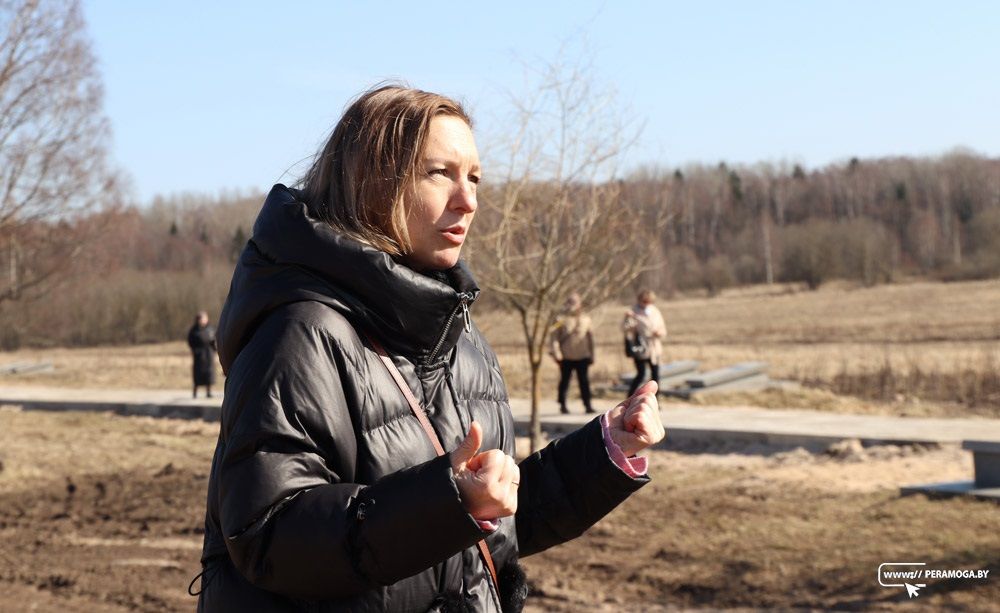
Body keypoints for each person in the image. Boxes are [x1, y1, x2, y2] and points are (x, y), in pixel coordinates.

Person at [195, 85, 665, 612]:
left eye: (475, 178)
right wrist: (447, 502)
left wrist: (604, 450)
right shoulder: (300, 333)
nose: (469, 200)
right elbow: (268, 534)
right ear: (371, 181)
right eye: (440, 173)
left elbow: (494, 524)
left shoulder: (461, 340)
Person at [549, 293, 595, 414]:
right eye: (570, 302)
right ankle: (562, 404)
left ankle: (588, 404)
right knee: (565, 381)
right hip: (566, 356)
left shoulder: (586, 318)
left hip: (583, 355)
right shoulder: (560, 319)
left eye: (575, 302)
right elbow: (554, 338)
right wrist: (557, 353)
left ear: (580, 303)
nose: (572, 305)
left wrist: (592, 354)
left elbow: (590, 338)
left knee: (584, 381)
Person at [623, 289, 667, 397]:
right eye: (644, 301)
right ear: (639, 300)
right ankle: (630, 397)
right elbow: (625, 328)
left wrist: (659, 332)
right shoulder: (633, 311)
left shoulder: (655, 311)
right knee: (641, 374)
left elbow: (663, 328)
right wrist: (628, 318)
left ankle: (655, 400)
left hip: (654, 348)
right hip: (640, 347)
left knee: (655, 375)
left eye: (649, 301)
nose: (647, 304)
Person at [187, 311, 217, 398]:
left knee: (209, 373)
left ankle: (208, 392)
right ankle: (195, 392)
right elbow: (190, 341)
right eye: (202, 319)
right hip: (199, 355)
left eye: (205, 318)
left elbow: (214, 340)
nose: (203, 320)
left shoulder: (210, 329)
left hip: (209, 354)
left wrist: (215, 349)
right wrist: (195, 350)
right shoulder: (194, 330)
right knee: (198, 374)